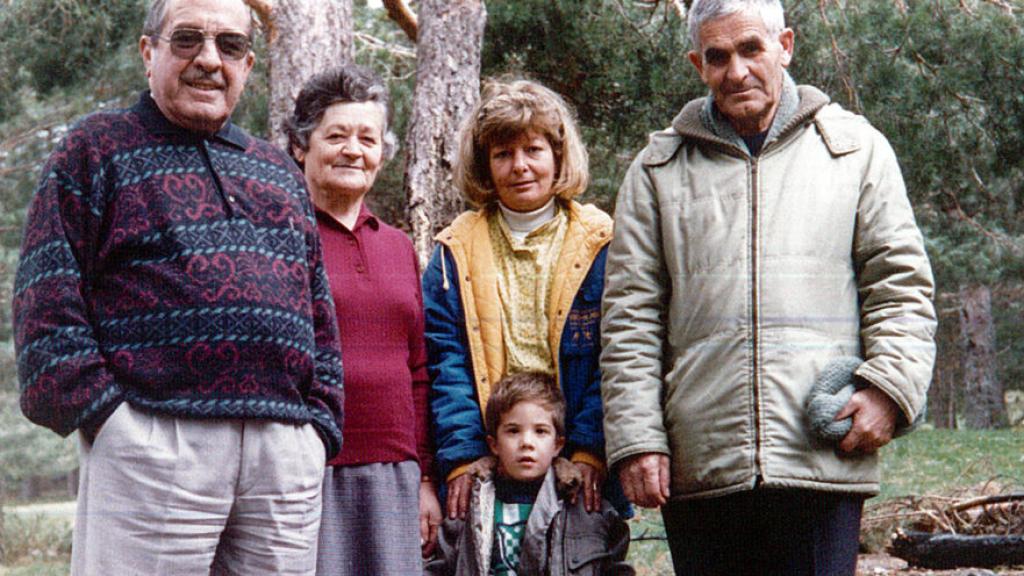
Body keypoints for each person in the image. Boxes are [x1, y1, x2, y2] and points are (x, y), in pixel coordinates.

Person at [599, 0, 938, 574]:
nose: (736, 71)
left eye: (751, 49)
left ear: (785, 45)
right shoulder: (656, 169)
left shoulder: (855, 150)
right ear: (696, 64)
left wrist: (888, 391)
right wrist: (636, 438)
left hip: (820, 455)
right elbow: (630, 318)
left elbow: (900, 284)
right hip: (701, 463)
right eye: (717, 56)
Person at [12, 0, 344, 574]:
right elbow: (46, 302)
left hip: (282, 459)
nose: (209, 60)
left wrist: (317, 429)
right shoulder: (94, 150)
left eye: (230, 45)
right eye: (187, 39)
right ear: (149, 52)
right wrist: (109, 420)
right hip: (152, 444)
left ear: (248, 65)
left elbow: (320, 314)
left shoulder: (280, 174)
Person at [422, 78, 628, 523]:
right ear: (485, 164)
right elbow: (445, 359)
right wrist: (463, 456)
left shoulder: (599, 243)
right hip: (488, 459)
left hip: (579, 459)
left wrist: (588, 451)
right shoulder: (454, 251)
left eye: (533, 151)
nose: (520, 166)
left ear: (558, 156)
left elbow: (614, 356)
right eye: (503, 154)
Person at [285, 64, 442, 574]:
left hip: (395, 475)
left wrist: (423, 479)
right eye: (336, 136)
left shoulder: (398, 246)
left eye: (367, 138)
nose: (354, 149)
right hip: (310, 471)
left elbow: (419, 370)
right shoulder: (281, 237)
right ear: (301, 147)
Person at [424, 372, 633, 575]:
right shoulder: (469, 509)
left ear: (558, 445)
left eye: (540, 431)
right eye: (513, 431)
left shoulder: (588, 511)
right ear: (494, 444)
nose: (527, 443)